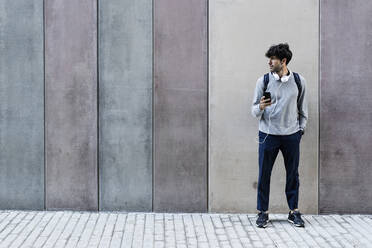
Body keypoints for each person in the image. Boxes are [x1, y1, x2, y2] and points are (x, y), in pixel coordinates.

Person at [251, 43, 308, 228]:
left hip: (291, 135)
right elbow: (253, 111)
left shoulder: (299, 81)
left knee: (293, 175)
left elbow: (303, 109)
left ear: (283, 61)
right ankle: (263, 212)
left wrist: (300, 130)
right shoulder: (263, 81)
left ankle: (294, 212)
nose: (269, 62)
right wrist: (260, 106)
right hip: (268, 135)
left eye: (273, 59)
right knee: (264, 174)